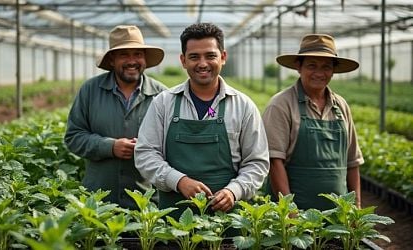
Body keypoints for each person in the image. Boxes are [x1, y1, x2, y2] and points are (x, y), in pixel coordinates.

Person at [134, 23, 269, 217]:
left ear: (223, 57)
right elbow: (145, 153)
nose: (203, 63)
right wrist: (178, 181)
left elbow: (257, 162)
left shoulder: (243, 106)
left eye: (210, 56)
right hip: (175, 219)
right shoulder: (164, 103)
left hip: (228, 219)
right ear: (183, 60)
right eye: (194, 57)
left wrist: (234, 191)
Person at [64, 25, 167, 209]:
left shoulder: (162, 95)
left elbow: (174, 145)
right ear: (112, 59)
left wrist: (148, 149)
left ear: (144, 58)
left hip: (146, 203)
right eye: (124, 55)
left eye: (137, 54)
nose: (132, 61)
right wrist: (110, 147)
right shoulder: (90, 90)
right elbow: (73, 137)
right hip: (98, 202)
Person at [262, 34, 364, 210]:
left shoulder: (340, 105)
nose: (319, 73)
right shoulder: (281, 104)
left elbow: (352, 161)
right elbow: (274, 161)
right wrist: (288, 211)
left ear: (333, 70)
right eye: (312, 66)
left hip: (338, 216)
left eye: (326, 67)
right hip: (296, 215)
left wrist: (356, 207)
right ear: (298, 67)